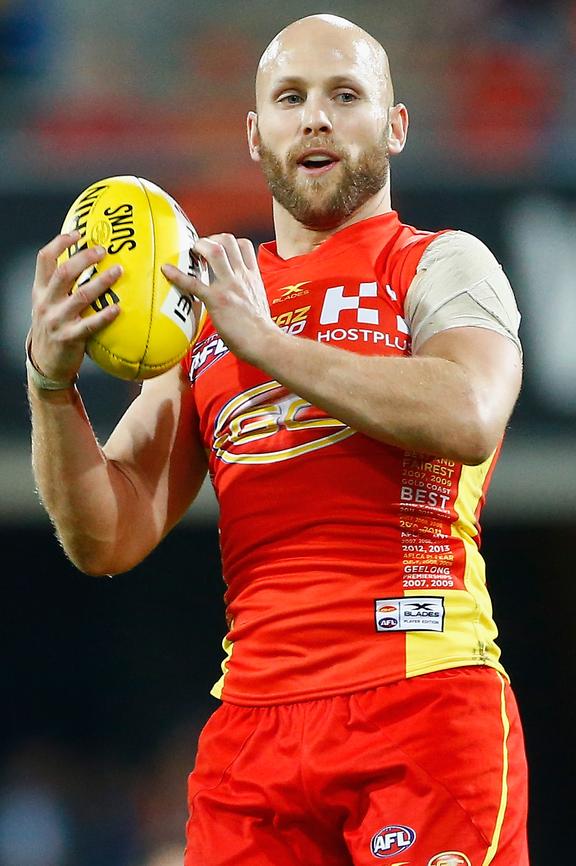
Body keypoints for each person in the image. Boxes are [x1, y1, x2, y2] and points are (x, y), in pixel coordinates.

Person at [27, 13, 528, 866]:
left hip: (422, 706)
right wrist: (50, 384)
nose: (317, 118)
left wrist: (270, 346)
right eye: (291, 98)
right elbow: (107, 535)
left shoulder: (439, 262)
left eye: (346, 95)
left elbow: (470, 412)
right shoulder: (206, 308)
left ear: (395, 125)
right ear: (257, 133)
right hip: (253, 737)